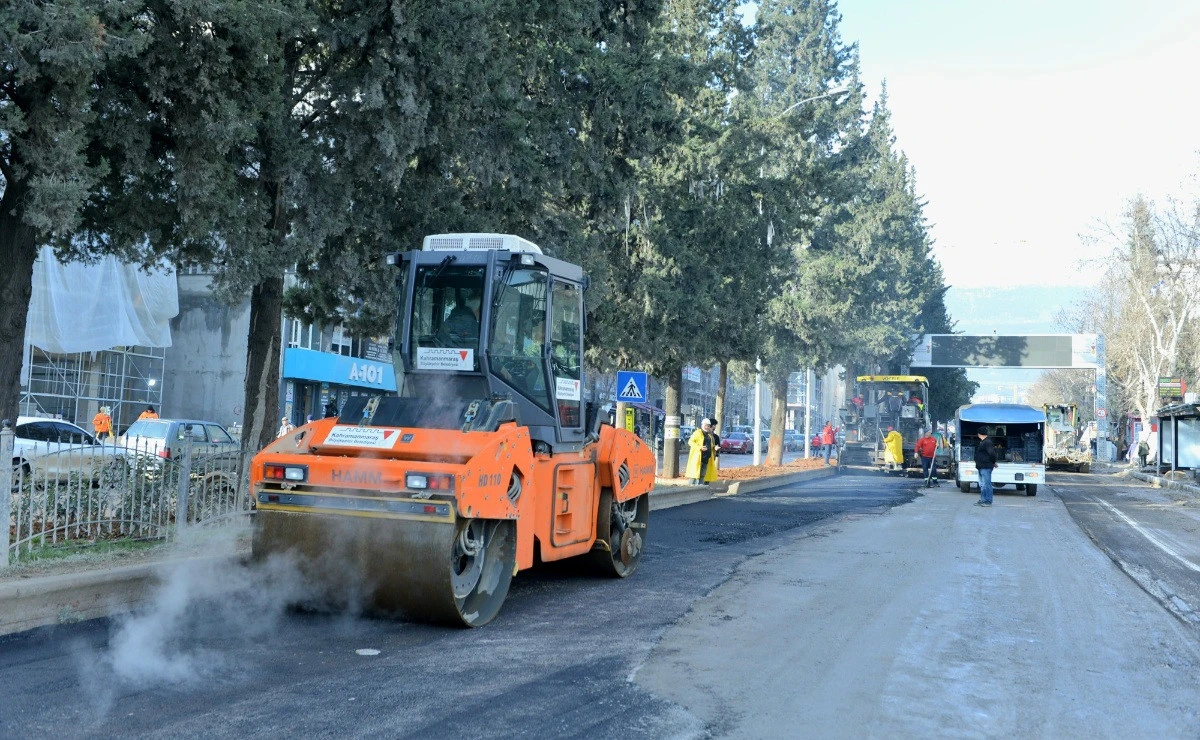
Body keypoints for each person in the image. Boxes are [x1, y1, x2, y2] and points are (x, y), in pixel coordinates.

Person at [685, 418, 718, 485]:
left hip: (706, 459)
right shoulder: (697, 433)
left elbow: (710, 445)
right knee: (694, 475)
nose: (707, 427)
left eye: (708, 426)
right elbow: (690, 442)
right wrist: (699, 447)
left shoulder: (709, 435)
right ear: (702, 425)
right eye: (706, 425)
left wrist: (714, 448)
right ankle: (690, 488)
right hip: (697, 458)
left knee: (703, 475)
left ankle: (700, 487)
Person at [974, 427, 997, 507]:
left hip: (986, 467)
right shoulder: (983, 442)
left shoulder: (987, 442)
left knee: (987, 484)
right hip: (981, 466)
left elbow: (992, 453)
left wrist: (993, 462)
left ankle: (988, 501)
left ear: (980, 433)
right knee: (982, 485)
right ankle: (983, 500)